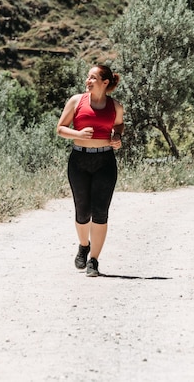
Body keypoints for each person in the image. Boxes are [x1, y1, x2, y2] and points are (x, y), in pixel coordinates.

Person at [56, 64, 124, 277]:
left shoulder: (116, 106)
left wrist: (117, 137)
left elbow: (119, 126)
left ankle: (93, 261)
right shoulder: (76, 101)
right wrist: (77, 133)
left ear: (105, 83)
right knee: (83, 212)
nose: (88, 80)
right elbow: (59, 129)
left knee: (101, 212)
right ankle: (84, 245)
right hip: (79, 161)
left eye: (93, 77)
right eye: (88, 77)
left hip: (105, 161)